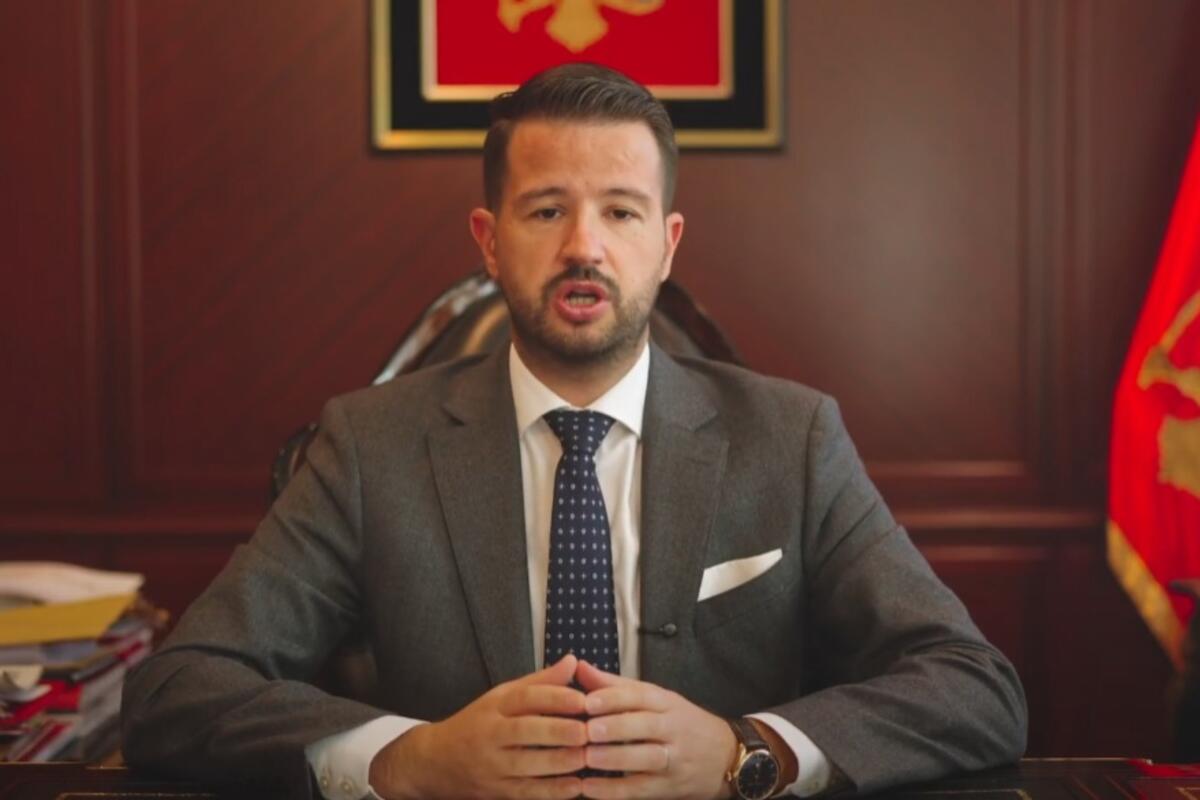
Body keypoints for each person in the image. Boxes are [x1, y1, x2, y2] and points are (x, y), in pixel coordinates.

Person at [121, 63, 1027, 800]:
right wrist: (408, 760)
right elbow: (176, 691)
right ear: (489, 240)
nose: (584, 247)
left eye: (621, 211)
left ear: (667, 243)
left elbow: (972, 686)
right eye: (547, 210)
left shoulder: (791, 440)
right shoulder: (369, 445)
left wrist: (745, 752)